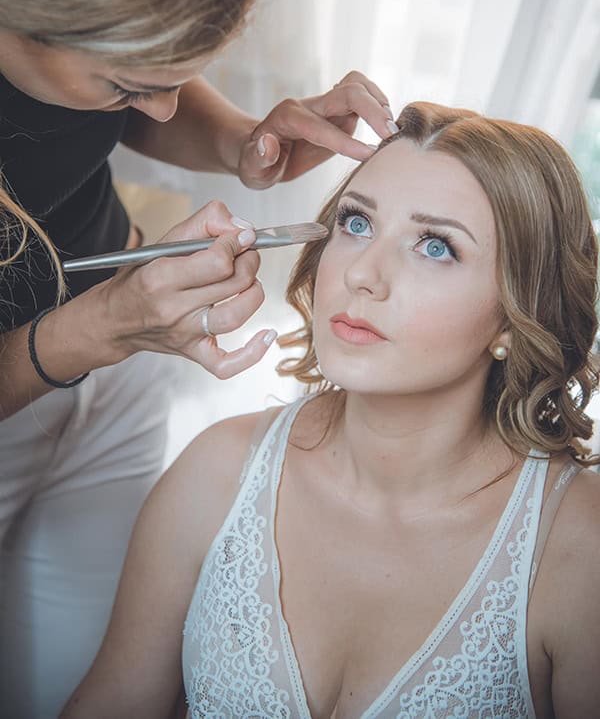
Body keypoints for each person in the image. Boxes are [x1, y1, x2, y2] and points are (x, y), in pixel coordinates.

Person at [0, 0, 395, 716]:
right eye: (126, 83)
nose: (162, 103)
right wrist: (85, 333)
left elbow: (137, 97)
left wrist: (239, 143)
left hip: (111, 365)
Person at [61, 102, 600, 719]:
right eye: (357, 223)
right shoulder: (216, 472)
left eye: (435, 245)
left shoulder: (580, 549)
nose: (364, 276)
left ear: (515, 313)